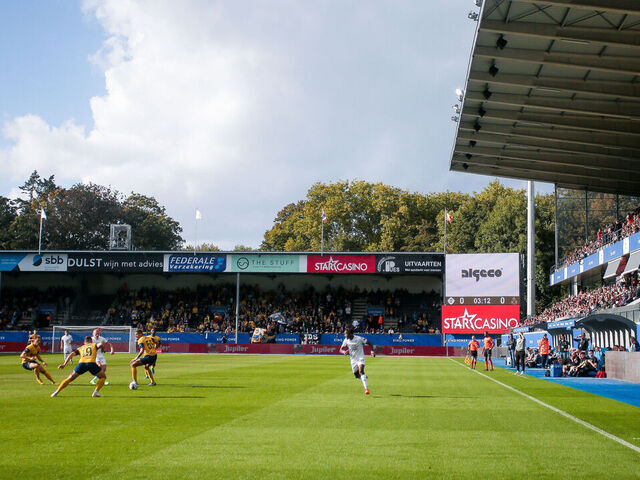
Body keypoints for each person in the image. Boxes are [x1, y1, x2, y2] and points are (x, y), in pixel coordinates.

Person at [339, 327, 375, 395]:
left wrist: (372, 352)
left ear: (350, 333)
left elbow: (370, 343)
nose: (344, 335)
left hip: (360, 358)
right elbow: (340, 349)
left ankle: (366, 389)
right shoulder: (346, 340)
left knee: (361, 371)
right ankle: (362, 377)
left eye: (345, 333)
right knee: (356, 374)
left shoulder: (359, 338)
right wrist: (344, 352)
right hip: (353, 360)